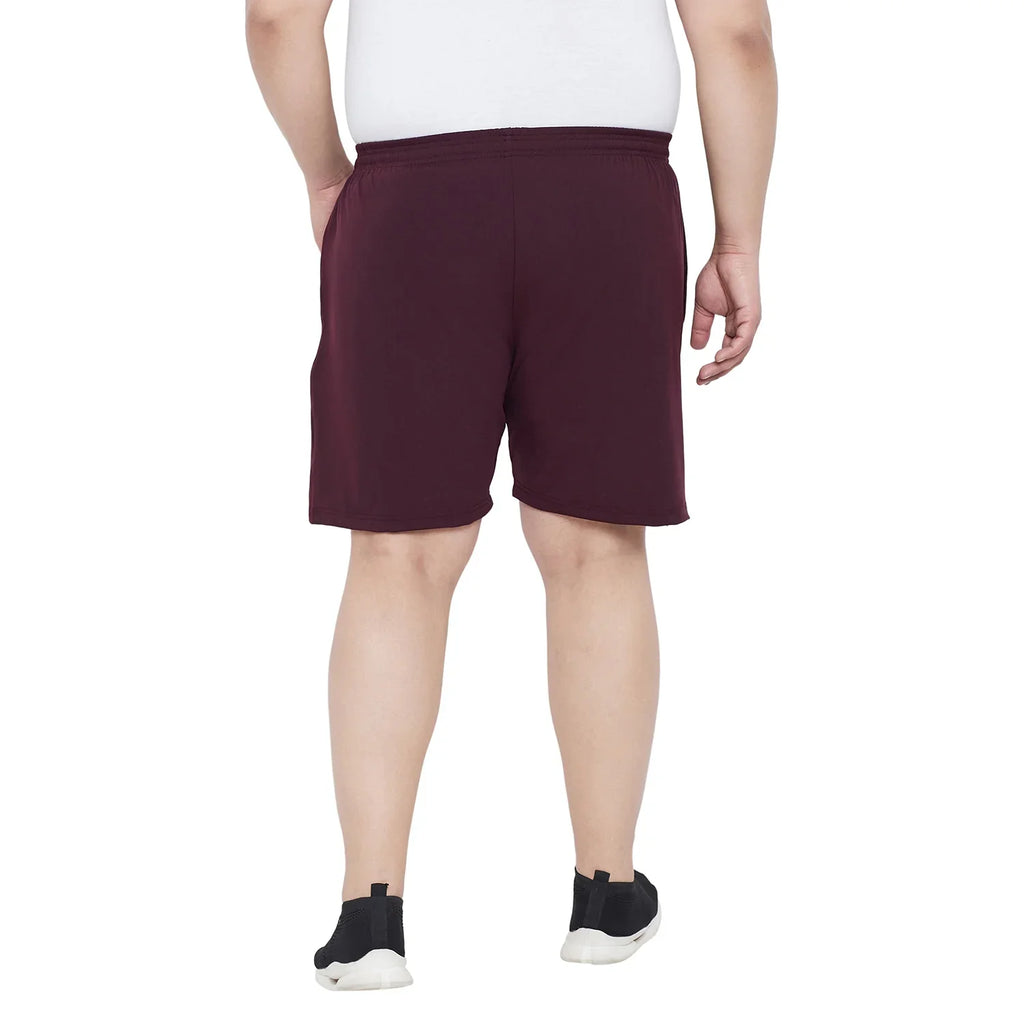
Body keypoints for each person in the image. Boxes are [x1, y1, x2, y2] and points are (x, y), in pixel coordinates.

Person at [246, 0, 776, 990]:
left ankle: (370, 919)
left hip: (412, 197)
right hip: (608, 197)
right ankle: (606, 896)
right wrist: (737, 238)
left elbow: (278, 17)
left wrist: (325, 175)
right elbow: (736, 35)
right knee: (594, 542)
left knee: (398, 554)